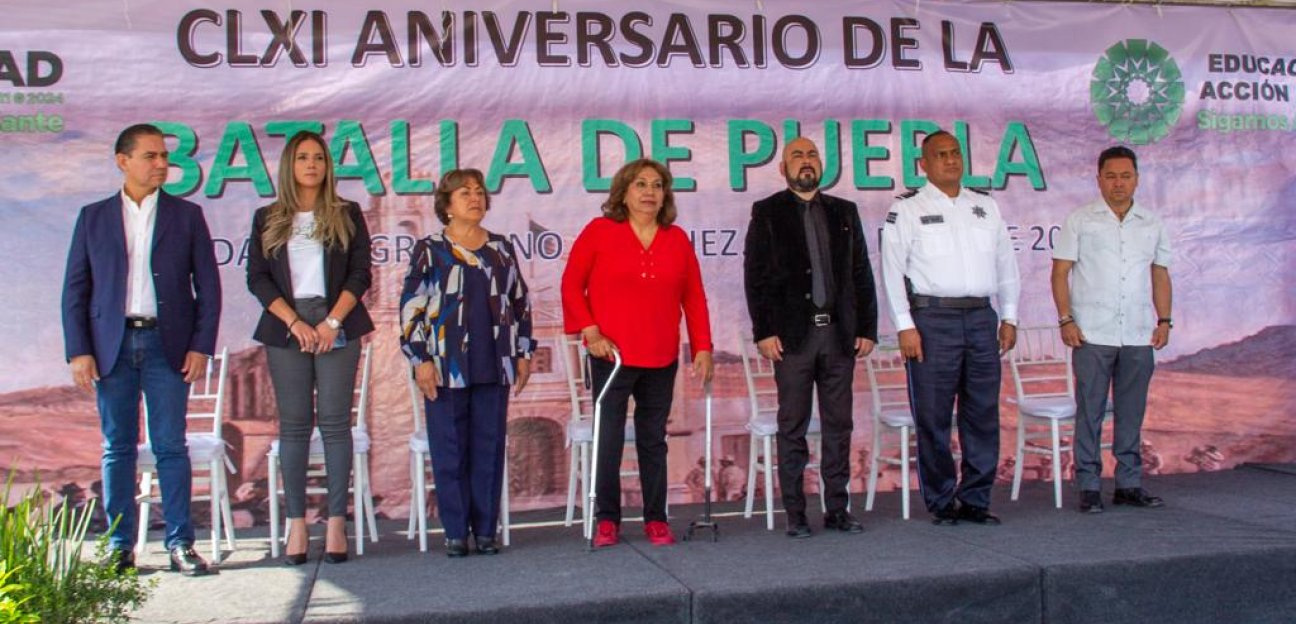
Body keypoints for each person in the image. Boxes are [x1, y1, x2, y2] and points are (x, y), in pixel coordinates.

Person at [61, 123, 221, 575]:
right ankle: (119, 546)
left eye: (164, 157)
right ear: (122, 160)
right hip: (111, 345)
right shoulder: (92, 217)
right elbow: (76, 288)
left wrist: (200, 346)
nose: (161, 164)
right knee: (117, 448)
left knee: (171, 446)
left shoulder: (186, 216)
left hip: (166, 344)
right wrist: (79, 350)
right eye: (151, 156)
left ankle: (180, 544)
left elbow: (207, 287)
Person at [562, 158, 713, 548]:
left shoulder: (677, 239)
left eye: (657, 185)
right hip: (610, 357)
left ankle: (656, 519)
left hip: (661, 356)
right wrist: (590, 330)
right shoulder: (599, 232)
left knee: (653, 440)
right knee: (608, 438)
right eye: (640, 184)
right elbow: (571, 284)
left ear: (665, 194)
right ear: (623, 193)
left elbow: (693, 298)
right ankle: (607, 520)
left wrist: (703, 347)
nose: (650, 192)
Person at [880, 130, 1020, 526]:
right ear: (923, 164)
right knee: (934, 415)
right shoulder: (907, 207)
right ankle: (941, 501)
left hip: (980, 318)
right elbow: (891, 271)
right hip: (931, 320)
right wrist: (905, 325)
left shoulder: (985, 206)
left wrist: (1009, 316)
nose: (951, 160)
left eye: (956, 153)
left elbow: (1005, 265)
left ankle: (976, 498)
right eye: (941, 155)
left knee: (982, 413)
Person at [246, 130, 374, 564]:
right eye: (302, 157)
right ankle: (297, 524)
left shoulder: (347, 212)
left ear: (327, 165)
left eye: (318, 157)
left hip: (337, 322)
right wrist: (297, 322)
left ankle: (336, 523)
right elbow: (257, 278)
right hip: (287, 326)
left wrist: (332, 322)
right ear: (290, 165)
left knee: (336, 425)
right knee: (295, 426)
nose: (312, 165)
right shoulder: (267, 217)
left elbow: (360, 274)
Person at [743, 137, 878, 538]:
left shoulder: (845, 212)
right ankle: (797, 514)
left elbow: (861, 274)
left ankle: (837, 509)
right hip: (792, 339)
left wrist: (867, 329)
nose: (807, 161)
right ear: (783, 169)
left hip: (839, 337)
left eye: (813, 155)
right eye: (797, 156)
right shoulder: (767, 212)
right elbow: (756, 277)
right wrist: (764, 331)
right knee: (793, 427)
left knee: (839, 425)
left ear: (822, 165)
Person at [400, 168, 533, 558]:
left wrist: (524, 352)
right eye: (464, 193)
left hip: (495, 362)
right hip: (445, 365)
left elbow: (520, 302)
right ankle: (456, 531)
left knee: (488, 447)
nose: (474, 198)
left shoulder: (501, 248)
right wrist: (419, 359)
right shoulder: (430, 249)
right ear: (447, 204)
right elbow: (412, 308)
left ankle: (486, 530)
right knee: (450, 447)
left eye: (479, 192)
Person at [1051, 145, 1172, 514]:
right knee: (1090, 411)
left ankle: (1129, 483)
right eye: (1111, 176)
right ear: (1099, 178)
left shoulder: (1151, 223)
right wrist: (1066, 319)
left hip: (1137, 332)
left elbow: (1160, 274)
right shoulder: (1081, 219)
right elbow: (1060, 273)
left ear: (1136, 178)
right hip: (1091, 333)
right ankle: (1089, 486)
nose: (1119, 183)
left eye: (1126, 176)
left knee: (1131, 411)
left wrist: (1164, 320)